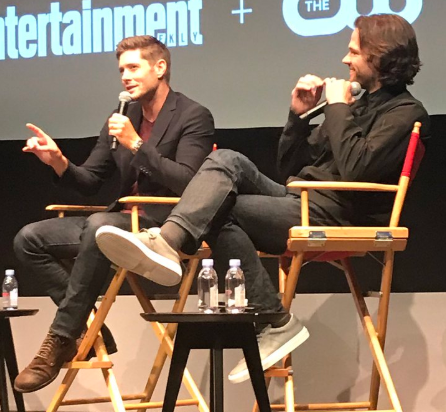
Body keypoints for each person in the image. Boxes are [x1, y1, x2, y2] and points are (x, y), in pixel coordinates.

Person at [96, 14, 430, 384]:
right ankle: (174, 246)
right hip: (301, 198)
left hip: (339, 213)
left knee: (217, 209)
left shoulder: (406, 112)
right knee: (226, 160)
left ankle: (268, 317)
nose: (345, 59)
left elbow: (355, 169)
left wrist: (337, 107)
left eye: (353, 52)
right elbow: (290, 167)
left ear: (379, 55)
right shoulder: (356, 105)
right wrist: (298, 117)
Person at [13, 35, 214, 393]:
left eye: (134, 67)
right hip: (117, 221)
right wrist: (58, 161)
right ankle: (89, 327)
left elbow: (188, 181)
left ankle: (60, 338)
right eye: (122, 70)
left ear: (160, 68)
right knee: (29, 239)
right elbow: (91, 180)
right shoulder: (121, 116)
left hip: (164, 227)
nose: (125, 76)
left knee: (99, 225)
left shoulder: (193, 115)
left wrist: (137, 143)